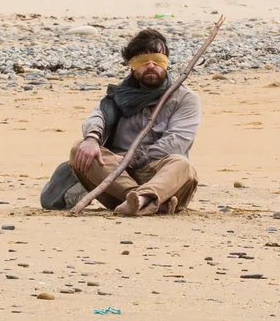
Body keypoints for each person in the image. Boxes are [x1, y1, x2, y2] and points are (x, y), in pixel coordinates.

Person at [39, 27, 201, 215]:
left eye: (157, 60)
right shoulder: (118, 96)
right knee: (80, 149)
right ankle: (142, 201)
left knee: (182, 165)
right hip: (117, 177)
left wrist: (132, 158)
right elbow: (97, 117)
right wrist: (92, 138)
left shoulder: (185, 99)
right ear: (131, 65)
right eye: (142, 61)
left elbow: (176, 143)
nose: (150, 66)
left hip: (163, 177)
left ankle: (143, 199)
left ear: (166, 63)